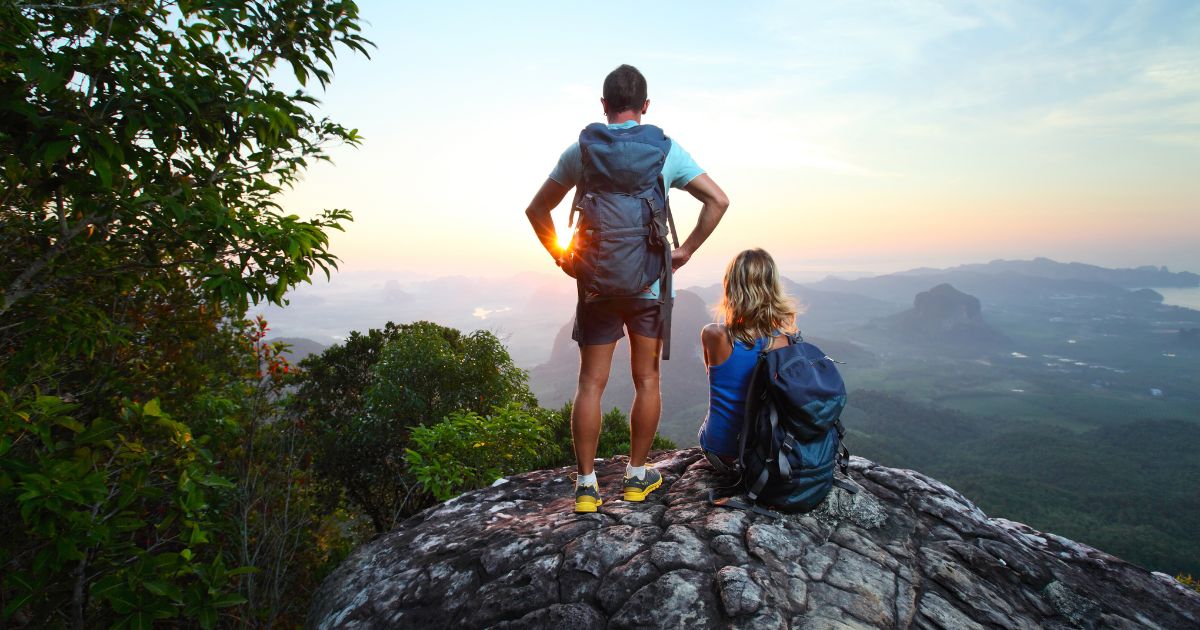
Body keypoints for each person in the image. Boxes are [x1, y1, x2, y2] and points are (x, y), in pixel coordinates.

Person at [524, 64, 730, 513]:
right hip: (649, 287)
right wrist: (688, 249)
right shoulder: (666, 150)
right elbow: (719, 200)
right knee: (647, 378)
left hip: (596, 285)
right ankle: (637, 478)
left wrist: (562, 257)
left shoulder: (582, 151)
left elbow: (536, 209)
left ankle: (585, 487)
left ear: (603, 105)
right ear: (646, 107)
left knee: (590, 383)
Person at [698, 249, 799, 474]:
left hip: (721, 451)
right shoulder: (787, 343)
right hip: (765, 454)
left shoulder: (713, 335)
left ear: (730, 285)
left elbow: (713, 377)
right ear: (772, 287)